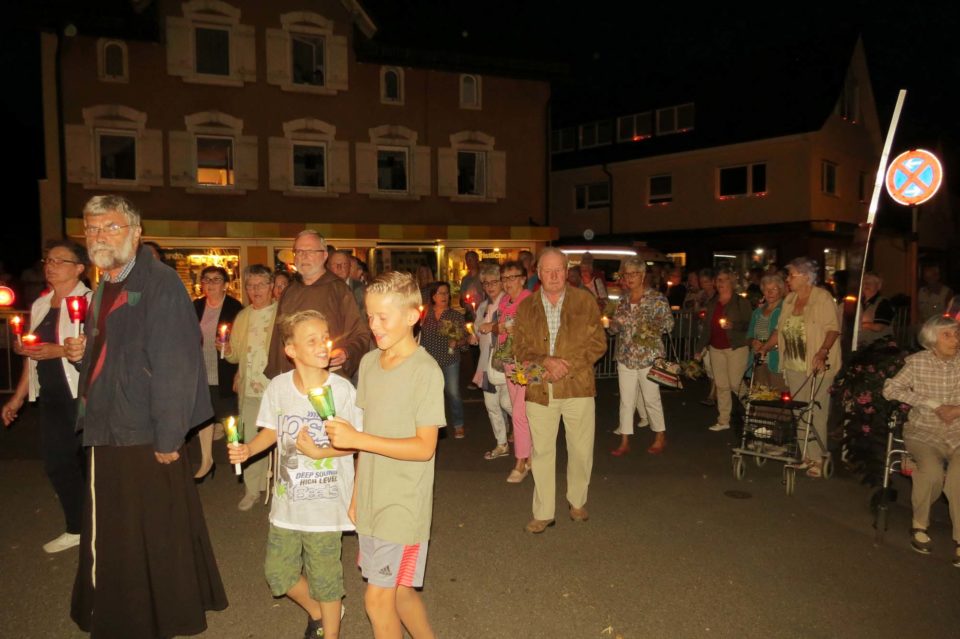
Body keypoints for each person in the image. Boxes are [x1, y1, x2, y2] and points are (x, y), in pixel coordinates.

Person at [63, 195, 226, 638]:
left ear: (135, 233)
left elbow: (176, 363)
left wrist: (169, 437)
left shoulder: (160, 282)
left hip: (141, 428)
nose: (99, 236)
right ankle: (133, 612)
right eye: (92, 228)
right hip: (109, 421)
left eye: (111, 227)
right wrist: (83, 354)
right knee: (126, 528)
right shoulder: (105, 284)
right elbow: (118, 353)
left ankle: (152, 615)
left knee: (149, 529)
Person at [324, 271, 444, 639]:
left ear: (412, 315)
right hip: (373, 498)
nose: (374, 326)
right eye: (370, 316)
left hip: (403, 505)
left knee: (377, 600)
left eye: (383, 317)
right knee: (401, 591)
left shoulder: (425, 371)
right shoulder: (369, 364)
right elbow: (366, 435)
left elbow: (424, 447)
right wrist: (357, 494)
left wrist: (358, 438)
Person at [228, 310, 361, 638]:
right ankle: (320, 613)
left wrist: (320, 452)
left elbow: (357, 445)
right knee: (279, 574)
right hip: (287, 503)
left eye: (324, 338)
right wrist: (248, 450)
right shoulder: (279, 387)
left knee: (326, 580)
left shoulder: (341, 390)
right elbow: (272, 431)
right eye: (311, 340)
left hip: (326, 505)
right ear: (291, 350)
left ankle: (330, 631)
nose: (322, 345)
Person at [2, 240, 92, 553]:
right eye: (48, 260)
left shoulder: (91, 302)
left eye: (59, 261)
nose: (50, 266)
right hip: (52, 395)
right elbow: (34, 357)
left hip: (84, 394)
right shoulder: (41, 304)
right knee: (57, 462)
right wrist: (17, 397)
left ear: (79, 268)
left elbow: (101, 351)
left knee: (92, 464)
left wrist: (58, 351)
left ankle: (102, 524)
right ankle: (78, 527)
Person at [513, 249, 608, 533]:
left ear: (567, 272)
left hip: (578, 386)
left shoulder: (585, 301)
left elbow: (598, 343)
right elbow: (519, 348)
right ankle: (543, 512)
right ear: (538, 273)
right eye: (548, 270)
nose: (554, 276)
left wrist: (566, 366)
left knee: (581, 449)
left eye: (559, 270)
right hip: (541, 387)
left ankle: (577, 500)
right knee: (542, 451)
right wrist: (546, 361)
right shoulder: (526, 307)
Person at [882, 315, 960, 567]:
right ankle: (919, 525)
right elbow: (890, 389)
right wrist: (932, 404)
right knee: (932, 473)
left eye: (956, 334)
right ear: (932, 339)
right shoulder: (917, 363)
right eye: (947, 335)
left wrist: (956, 410)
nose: (955, 339)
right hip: (924, 431)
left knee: (958, 478)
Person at [763, 257, 841, 478]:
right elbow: (779, 330)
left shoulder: (822, 298)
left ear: (806, 277)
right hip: (793, 364)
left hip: (817, 365)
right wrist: (765, 347)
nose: (787, 279)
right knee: (799, 411)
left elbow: (833, 329)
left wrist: (823, 351)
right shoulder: (789, 299)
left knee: (816, 411)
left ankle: (819, 458)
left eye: (791, 275)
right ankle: (806, 455)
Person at [265, 231, 368, 381]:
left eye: (310, 251)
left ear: (324, 255)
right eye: (299, 251)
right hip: (293, 376)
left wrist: (346, 352)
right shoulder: (289, 291)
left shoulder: (338, 289)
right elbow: (278, 336)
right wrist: (276, 374)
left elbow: (360, 334)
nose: (303, 256)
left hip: (327, 376)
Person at [606, 257, 673, 456]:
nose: (630, 278)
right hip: (626, 356)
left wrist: (652, 325)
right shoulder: (623, 300)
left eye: (634, 273)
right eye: (627, 274)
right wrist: (612, 324)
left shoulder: (657, 298)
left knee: (651, 398)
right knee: (626, 400)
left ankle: (660, 436)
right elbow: (614, 329)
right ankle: (624, 440)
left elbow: (669, 324)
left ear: (643, 275)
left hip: (648, 357)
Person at [223, 265, 277, 510]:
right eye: (250, 285)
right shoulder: (243, 316)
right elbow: (234, 356)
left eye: (261, 284)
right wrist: (225, 349)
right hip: (251, 391)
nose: (255, 290)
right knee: (251, 439)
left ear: (271, 286)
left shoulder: (281, 313)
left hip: (276, 389)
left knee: (285, 439)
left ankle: (282, 487)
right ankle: (252, 489)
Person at [192, 265, 242, 482]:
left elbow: (241, 343)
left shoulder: (234, 308)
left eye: (216, 279)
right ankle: (206, 461)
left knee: (230, 419)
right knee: (204, 418)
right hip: (201, 372)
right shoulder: (196, 306)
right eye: (207, 279)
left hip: (225, 371)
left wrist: (238, 370)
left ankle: (238, 460)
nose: (211, 284)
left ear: (225, 285)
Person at [696, 268, 752, 432]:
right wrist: (699, 348)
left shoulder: (741, 302)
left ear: (731, 282)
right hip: (716, 348)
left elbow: (749, 324)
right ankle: (723, 420)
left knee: (735, 383)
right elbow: (707, 328)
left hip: (736, 347)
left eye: (724, 279)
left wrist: (733, 325)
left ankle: (752, 410)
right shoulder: (713, 302)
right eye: (718, 280)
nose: (720, 283)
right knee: (721, 385)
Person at [470, 264, 512, 461]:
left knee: (507, 403)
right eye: (486, 283)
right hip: (486, 362)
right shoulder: (483, 306)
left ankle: (527, 433)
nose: (490, 286)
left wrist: (492, 326)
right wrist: (474, 335)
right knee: (491, 405)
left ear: (502, 282)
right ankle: (501, 443)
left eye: (494, 282)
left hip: (504, 362)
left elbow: (513, 326)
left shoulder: (508, 303)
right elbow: (479, 330)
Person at [498, 261, 534, 482]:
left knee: (520, 413)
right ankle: (529, 456)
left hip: (525, 362)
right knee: (520, 411)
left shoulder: (529, 300)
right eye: (505, 278)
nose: (508, 282)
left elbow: (535, 331)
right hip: (508, 361)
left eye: (512, 277)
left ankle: (521, 462)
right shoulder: (505, 301)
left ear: (523, 279)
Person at [419, 281, 467, 439]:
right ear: (433, 296)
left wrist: (457, 342)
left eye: (446, 293)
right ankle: (432, 425)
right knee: (430, 394)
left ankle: (458, 424)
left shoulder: (455, 315)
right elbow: (418, 335)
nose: (444, 296)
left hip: (449, 359)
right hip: (429, 360)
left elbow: (464, 341)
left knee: (453, 392)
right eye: (440, 293)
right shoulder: (425, 314)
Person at [749, 274, 787, 390]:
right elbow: (749, 335)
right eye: (766, 289)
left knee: (778, 394)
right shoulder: (757, 312)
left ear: (781, 290)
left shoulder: (785, 310)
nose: (769, 292)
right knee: (760, 394)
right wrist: (752, 341)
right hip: (759, 360)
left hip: (777, 360)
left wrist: (770, 346)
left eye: (774, 289)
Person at [858, 271, 894, 347]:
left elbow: (878, 327)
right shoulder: (858, 303)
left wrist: (860, 325)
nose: (866, 285)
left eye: (870, 283)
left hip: (877, 346)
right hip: (859, 345)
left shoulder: (883, 303)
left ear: (878, 286)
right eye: (864, 282)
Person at [458, 250, 481, 320]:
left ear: (477, 260)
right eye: (467, 260)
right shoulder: (465, 279)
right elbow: (461, 300)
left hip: (483, 313)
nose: (468, 262)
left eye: (471, 259)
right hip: (469, 314)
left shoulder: (483, 277)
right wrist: (464, 302)